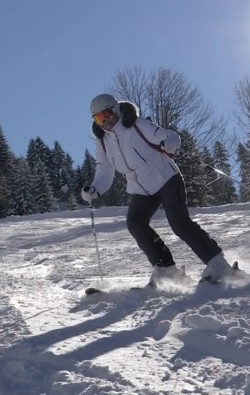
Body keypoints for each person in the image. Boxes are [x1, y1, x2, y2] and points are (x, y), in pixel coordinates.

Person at [81, 93, 234, 287]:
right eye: (99, 118)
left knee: (179, 223)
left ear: (117, 109)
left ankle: (218, 264)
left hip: (166, 177)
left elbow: (170, 137)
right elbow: (105, 170)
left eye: (108, 114)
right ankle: (166, 270)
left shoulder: (136, 124)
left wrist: (169, 143)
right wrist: (94, 189)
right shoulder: (103, 141)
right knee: (135, 223)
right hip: (141, 188)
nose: (106, 121)